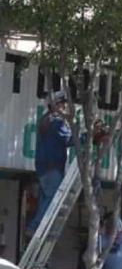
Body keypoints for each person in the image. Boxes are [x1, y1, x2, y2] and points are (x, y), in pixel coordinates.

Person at [27, 91, 72, 235]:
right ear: (55, 105)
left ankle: (35, 228)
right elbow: (69, 140)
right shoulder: (57, 122)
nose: (64, 106)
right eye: (62, 103)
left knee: (45, 200)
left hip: (43, 168)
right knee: (52, 201)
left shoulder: (45, 119)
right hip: (53, 168)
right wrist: (86, 137)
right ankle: (37, 228)